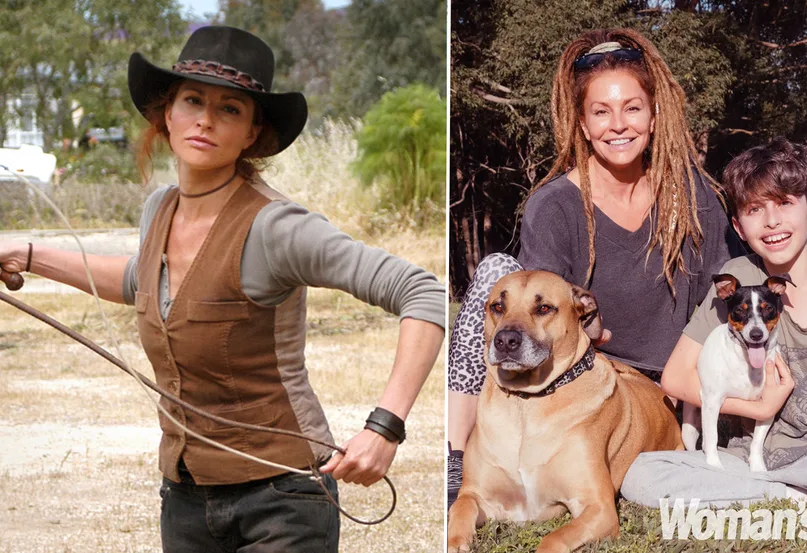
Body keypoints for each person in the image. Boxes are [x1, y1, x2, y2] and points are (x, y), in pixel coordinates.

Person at [0, 26, 445, 552]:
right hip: (186, 500)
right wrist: (26, 257)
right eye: (192, 100)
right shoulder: (159, 208)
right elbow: (141, 282)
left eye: (230, 109)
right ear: (167, 114)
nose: (206, 120)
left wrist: (385, 428)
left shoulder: (277, 228)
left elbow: (423, 292)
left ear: (252, 132)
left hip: (284, 501)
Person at [447, 28, 743, 506]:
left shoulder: (693, 197)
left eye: (631, 107)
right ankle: (456, 457)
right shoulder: (554, 206)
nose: (618, 124)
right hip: (586, 377)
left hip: (674, 386)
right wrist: (590, 325)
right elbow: (539, 312)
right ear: (582, 125)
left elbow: (723, 292)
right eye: (600, 112)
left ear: (654, 113)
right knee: (494, 271)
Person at [621, 137, 807, 511]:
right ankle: (784, 492)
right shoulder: (735, 278)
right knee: (641, 476)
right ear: (738, 226)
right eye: (754, 209)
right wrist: (758, 409)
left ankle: (799, 486)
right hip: (748, 455)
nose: (771, 221)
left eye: (785, 203)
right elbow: (675, 378)